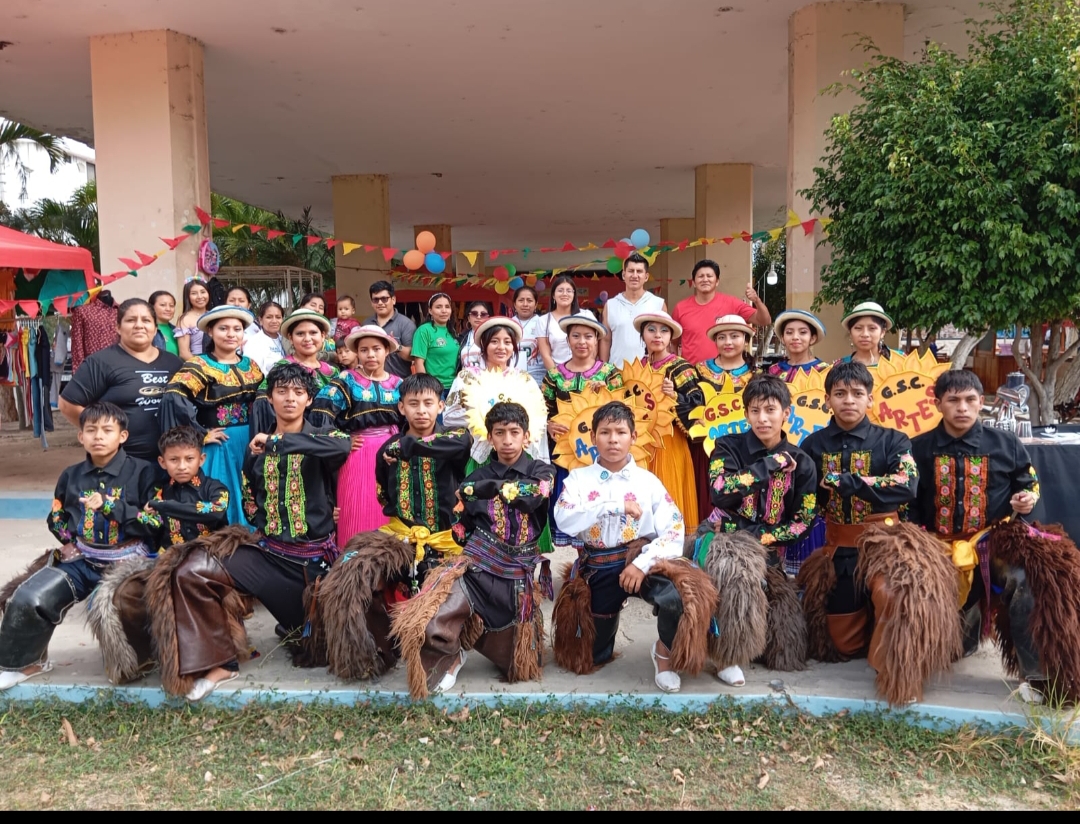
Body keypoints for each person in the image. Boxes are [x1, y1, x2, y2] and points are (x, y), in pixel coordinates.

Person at [146, 362, 351, 701]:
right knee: (191, 570)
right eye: (281, 392)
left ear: (309, 400)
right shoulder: (253, 448)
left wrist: (277, 442)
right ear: (270, 399)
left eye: (298, 392)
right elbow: (250, 498)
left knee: (317, 645)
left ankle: (293, 625)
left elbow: (342, 447)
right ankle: (220, 662)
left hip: (313, 569)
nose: (289, 398)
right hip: (268, 558)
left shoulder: (324, 436)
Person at [910, 370, 1080, 704]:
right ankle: (926, 656)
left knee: (1025, 579)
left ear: (981, 403)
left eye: (970, 400)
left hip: (994, 541)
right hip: (937, 544)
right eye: (953, 400)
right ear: (938, 403)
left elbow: (1028, 482)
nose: (962, 407)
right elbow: (911, 501)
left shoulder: (1006, 443)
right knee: (948, 635)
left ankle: (1039, 677)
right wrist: (919, 541)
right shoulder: (918, 447)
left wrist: (1026, 499)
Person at [798, 361, 960, 706]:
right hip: (838, 550)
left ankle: (900, 669)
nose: (849, 400)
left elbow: (907, 484)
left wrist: (852, 483)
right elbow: (805, 497)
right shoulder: (812, 444)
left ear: (870, 399)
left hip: (887, 545)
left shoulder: (893, 440)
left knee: (894, 594)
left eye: (857, 393)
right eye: (840, 394)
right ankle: (872, 626)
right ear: (827, 400)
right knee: (842, 643)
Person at [312, 373, 473, 681]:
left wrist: (405, 447)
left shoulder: (456, 439)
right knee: (350, 572)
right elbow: (384, 496)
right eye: (413, 404)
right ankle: (370, 652)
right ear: (401, 408)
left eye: (428, 403)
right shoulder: (386, 450)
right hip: (399, 537)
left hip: (446, 540)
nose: (421, 411)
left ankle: (448, 651)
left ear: (441, 406)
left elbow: (452, 446)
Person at [390, 402, 556, 698]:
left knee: (518, 667)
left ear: (527, 436)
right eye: (499, 433)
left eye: (514, 432)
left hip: (517, 579)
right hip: (476, 568)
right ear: (489, 437)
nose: (507, 440)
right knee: (431, 618)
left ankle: (476, 638)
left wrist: (483, 489)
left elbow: (536, 494)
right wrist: (468, 538)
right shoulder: (473, 478)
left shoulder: (540, 471)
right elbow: (459, 523)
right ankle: (451, 655)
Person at [551, 401, 715, 693]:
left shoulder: (647, 482)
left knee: (677, 597)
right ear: (593, 437)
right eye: (605, 432)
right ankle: (605, 627)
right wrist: (614, 505)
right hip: (597, 567)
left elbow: (674, 530)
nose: (613, 440)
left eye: (621, 432)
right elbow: (564, 518)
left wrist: (641, 564)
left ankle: (663, 653)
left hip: (642, 559)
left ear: (633, 436)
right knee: (593, 655)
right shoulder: (578, 479)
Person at [0, 402, 157, 690]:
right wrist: (70, 542)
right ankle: (26, 663)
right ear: (80, 436)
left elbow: (155, 522)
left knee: (116, 606)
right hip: (82, 559)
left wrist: (111, 506)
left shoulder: (144, 472)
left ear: (122, 436)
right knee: (31, 596)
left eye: (107, 430)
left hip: (130, 561)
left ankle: (136, 661)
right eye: (91, 430)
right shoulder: (71, 476)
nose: (99, 436)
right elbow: (57, 517)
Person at [83, 425, 232, 685]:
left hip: (208, 561)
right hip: (166, 562)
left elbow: (214, 512)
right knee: (125, 593)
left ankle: (205, 657)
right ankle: (140, 657)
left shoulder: (215, 489)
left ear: (201, 459)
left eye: (189, 458)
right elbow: (149, 522)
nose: (182, 466)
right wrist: (110, 506)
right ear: (162, 462)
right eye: (174, 460)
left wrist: (165, 507)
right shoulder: (159, 492)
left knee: (186, 585)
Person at [693, 375, 816, 686]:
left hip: (769, 551)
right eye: (755, 411)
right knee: (737, 584)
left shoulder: (803, 462)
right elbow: (720, 492)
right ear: (746, 413)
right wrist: (769, 464)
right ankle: (727, 655)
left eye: (770, 410)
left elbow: (802, 522)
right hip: (722, 544)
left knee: (786, 653)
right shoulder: (727, 446)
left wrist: (752, 532)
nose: (763, 419)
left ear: (786, 413)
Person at [160, 305, 263, 528]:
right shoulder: (199, 365)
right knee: (221, 497)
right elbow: (174, 397)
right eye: (223, 328)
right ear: (210, 332)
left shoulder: (251, 365)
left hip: (250, 441)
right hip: (220, 444)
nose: (231, 334)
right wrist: (201, 434)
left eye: (237, 329)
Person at [59, 298, 183, 463]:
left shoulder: (174, 363)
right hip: (120, 463)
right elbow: (67, 405)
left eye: (146, 320)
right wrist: (101, 433)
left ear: (155, 329)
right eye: (131, 320)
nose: (139, 325)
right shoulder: (101, 362)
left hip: (169, 463)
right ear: (118, 327)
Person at [311, 325, 402, 544]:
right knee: (355, 508)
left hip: (391, 454)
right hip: (357, 453)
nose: (370, 354)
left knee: (388, 510)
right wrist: (342, 440)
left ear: (386, 351)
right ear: (357, 353)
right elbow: (320, 413)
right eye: (364, 350)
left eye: (376, 349)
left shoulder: (399, 383)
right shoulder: (346, 380)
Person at [542, 313, 624, 550]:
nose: (582, 342)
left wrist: (606, 392)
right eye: (576, 336)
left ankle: (596, 561)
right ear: (568, 340)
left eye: (588, 336)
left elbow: (622, 411)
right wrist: (548, 425)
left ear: (597, 340)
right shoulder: (554, 376)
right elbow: (542, 410)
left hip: (600, 456)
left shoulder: (610, 374)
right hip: (566, 454)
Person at [444, 317, 549, 467]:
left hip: (520, 456)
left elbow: (539, 418)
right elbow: (450, 416)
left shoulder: (525, 380)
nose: (501, 347)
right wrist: (488, 425)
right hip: (482, 457)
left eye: (507, 342)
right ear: (483, 344)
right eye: (494, 341)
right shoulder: (467, 378)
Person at [689, 313, 760, 523]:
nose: (728, 342)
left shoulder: (756, 374)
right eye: (722, 337)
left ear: (745, 339)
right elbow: (690, 405)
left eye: (734, 336)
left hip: (743, 449)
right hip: (707, 448)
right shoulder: (699, 370)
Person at [633, 311, 702, 528]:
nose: (657, 335)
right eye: (651, 330)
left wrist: (675, 396)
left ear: (671, 337)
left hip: (669, 442)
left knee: (668, 489)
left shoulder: (681, 368)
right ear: (642, 334)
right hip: (641, 442)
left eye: (664, 331)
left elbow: (698, 405)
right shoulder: (637, 367)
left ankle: (672, 537)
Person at [251, 308, 339, 434]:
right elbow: (264, 407)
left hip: (327, 438)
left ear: (323, 336)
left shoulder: (333, 371)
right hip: (291, 438)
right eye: (300, 334)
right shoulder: (282, 368)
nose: (307, 338)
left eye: (313, 332)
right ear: (290, 338)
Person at [672, 259, 770, 366]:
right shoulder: (680, 308)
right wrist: (676, 367)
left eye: (709, 276)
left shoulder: (732, 303)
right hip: (691, 372)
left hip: (725, 371)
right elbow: (673, 343)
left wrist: (757, 300)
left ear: (717, 281)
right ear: (694, 283)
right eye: (700, 276)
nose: (705, 279)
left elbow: (764, 320)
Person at [600, 253, 666, 368]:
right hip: (616, 371)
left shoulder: (658, 304)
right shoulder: (611, 305)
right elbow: (605, 340)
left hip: (649, 372)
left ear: (646, 277)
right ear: (623, 275)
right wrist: (603, 370)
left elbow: (665, 341)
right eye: (631, 271)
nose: (635, 275)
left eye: (639, 271)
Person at [537, 275, 595, 370]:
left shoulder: (586, 315)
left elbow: (594, 346)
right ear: (553, 295)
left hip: (586, 371)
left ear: (574, 295)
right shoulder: (543, 320)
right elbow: (545, 355)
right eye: (560, 290)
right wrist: (557, 376)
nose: (564, 294)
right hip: (557, 372)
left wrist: (587, 371)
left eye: (569, 291)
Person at [362, 281, 415, 379]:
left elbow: (413, 356)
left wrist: (396, 346)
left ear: (393, 300)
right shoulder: (366, 324)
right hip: (370, 381)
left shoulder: (406, 324)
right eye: (376, 300)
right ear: (372, 303)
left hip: (399, 382)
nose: (380, 303)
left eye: (384, 299)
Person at [411, 293, 461, 395]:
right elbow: (419, 362)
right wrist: (425, 388)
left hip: (455, 387)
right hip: (434, 387)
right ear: (430, 310)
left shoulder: (452, 332)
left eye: (447, 307)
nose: (444, 310)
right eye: (438, 307)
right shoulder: (424, 330)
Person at [837, 301, 902, 369]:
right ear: (850, 332)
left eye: (872, 328)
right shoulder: (840, 367)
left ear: (883, 332)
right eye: (858, 328)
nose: (865, 334)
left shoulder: (900, 361)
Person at [768, 310, 829, 381]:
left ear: (812, 338)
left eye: (803, 332)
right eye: (789, 332)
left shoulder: (824, 371)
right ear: (783, 339)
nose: (795, 337)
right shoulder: (775, 370)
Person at [511, 286, 548, 386]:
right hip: (512, 377)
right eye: (521, 300)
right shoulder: (507, 324)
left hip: (538, 378)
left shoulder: (543, 323)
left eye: (529, 300)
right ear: (514, 304)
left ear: (536, 304)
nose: (525, 304)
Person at [243, 301, 287, 375]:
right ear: (260, 320)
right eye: (269, 317)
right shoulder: (254, 343)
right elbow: (253, 372)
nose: (274, 321)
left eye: (278, 317)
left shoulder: (286, 340)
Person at [174, 279, 212, 360]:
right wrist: (202, 366)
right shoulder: (185, 319)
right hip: (197, 362)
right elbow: (184, 353)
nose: (200, 297)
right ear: (187, 296)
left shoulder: (214, 315)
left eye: (203, 292)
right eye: (194, 293)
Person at [457, 300, 491, 370]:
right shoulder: (461, 338)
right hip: (465, 375)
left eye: (483, 314)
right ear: (469, 318)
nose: (478, 317)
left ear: (488, 318)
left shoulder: (493, 337)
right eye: (474, 313)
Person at [149, 290, 179, 356]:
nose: (168, 309)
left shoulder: (177, 330)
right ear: (151, 307)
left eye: (171, 306)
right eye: (163, 305)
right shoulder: (147, 330)